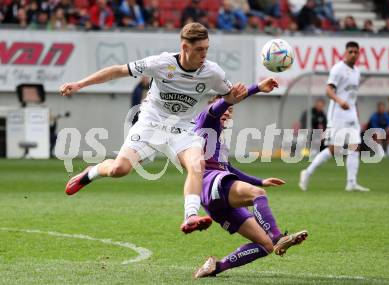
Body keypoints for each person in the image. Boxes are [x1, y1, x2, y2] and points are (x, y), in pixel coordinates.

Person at [59, 22, 244, 234]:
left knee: (196, 165)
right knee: (119, 169)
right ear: (185, 47)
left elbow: (230, 96)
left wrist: (253, 90)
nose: (204, 54)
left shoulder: (212, 72)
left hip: (183, 128)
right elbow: (118, 71)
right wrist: (80, 85)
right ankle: (90, 173)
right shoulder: (161, 63)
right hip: (150, 122)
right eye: (199, 49)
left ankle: (190, 216)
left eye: (206, 49)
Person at [193, 78, 308, 278]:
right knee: (257, 195)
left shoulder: (218, 138)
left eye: (230, 112)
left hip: (216, 196)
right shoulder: (207, 118)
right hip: (210, 182)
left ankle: (215, 268)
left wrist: (260, 181)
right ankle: (279, 236)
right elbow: (226, 102)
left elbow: (228, 168)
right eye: (225, 108)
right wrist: (257, 88)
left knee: (265, 245)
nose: (227, 112)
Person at [299, 41, 370, 192]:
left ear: (359, 54)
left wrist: (354, 110)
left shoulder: (357, 71)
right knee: (335, 149)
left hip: (351, 114)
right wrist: (340, 101)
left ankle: (351, 182)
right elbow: (328, 90)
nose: (352, 54)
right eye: (350, 51)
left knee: (355, 146)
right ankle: (307, 172)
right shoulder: (338, 69)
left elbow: (352, 96)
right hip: (338, 113)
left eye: (355, 52)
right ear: (345, 53)